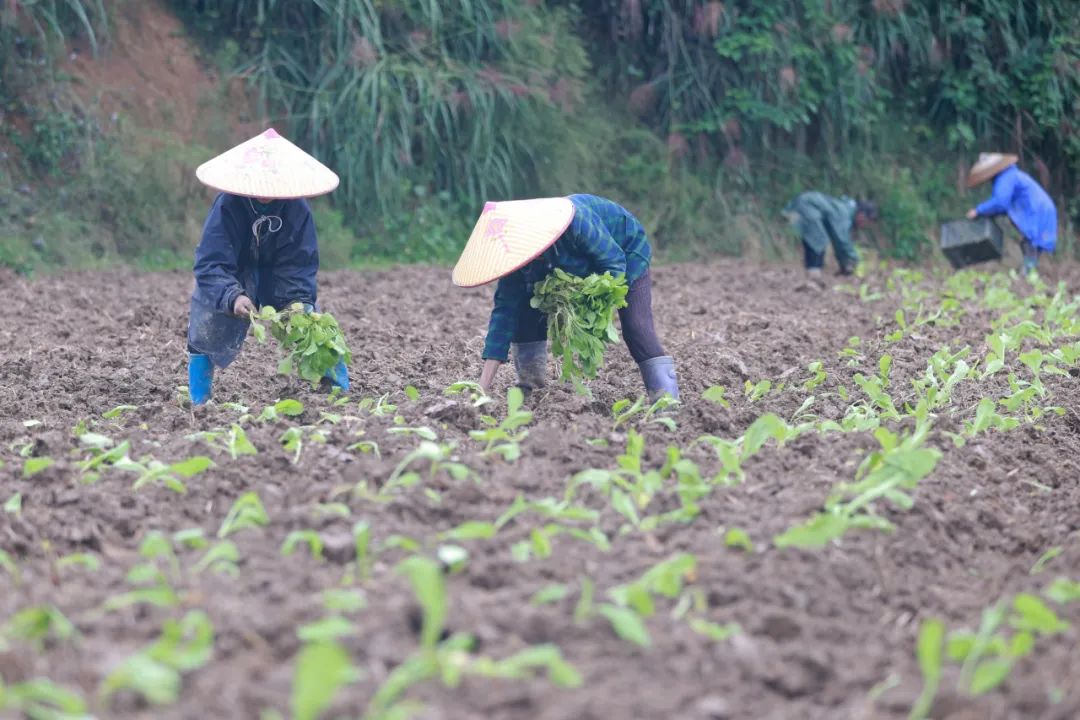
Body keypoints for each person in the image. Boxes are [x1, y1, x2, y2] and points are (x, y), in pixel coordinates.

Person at [452, 194, 679, 402]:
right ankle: (531, 390)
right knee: (524, 313)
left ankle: (666, 400)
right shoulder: (515, 258)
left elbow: (614, 262)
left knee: (636, 328)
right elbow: (503, 316)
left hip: (625, 250)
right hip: (571, 268)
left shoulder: (576, 223)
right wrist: (482, 387)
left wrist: (591, 304)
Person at [186, 128, 349, 405]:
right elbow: (210, 262)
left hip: (279, 276)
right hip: (234, 274)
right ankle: (199, 400)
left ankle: (337, 391)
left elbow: (300, 263)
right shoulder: (227, 206)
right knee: (205, 325)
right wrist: (232, 296)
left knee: (312, 325)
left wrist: (297, 300)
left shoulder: (297, 209)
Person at [964, 153, 1057, 274]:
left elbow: (1000, 203)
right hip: (1042, 209)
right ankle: (1029, 274)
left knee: (1030, 244)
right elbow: (1003, 205)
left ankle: (1027, 275)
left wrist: (978, 210)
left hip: (1037, 212)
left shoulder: (1006, 178)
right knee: (1028, 244)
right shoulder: (1010, 175)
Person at [784, 192, 878, 282]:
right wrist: (854, 259)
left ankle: (812, 273)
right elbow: (842, 240)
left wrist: (844, 264)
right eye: (865, 223)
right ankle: (814, 275)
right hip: (805, 207)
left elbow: (837, 242)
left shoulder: (845, 209)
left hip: (797, 207)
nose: (863, 226)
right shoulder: (844, 213)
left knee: (812, 239)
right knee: (818, 239)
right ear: (861, 216)